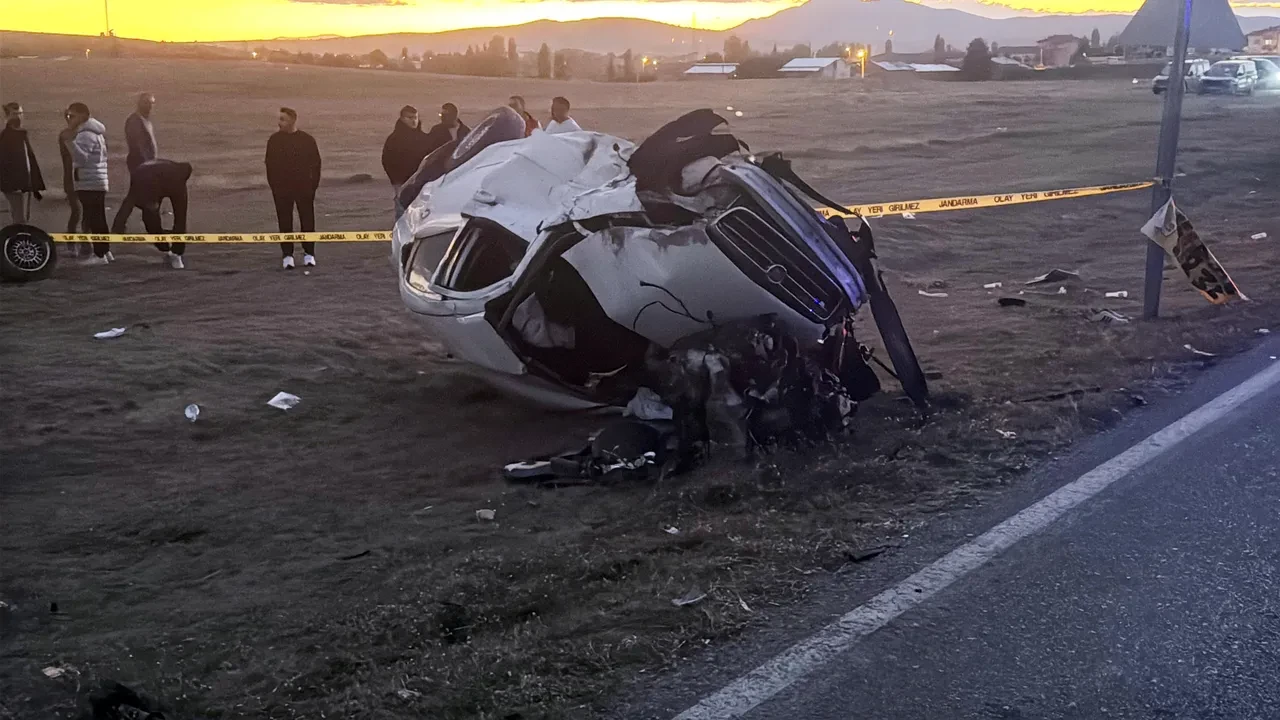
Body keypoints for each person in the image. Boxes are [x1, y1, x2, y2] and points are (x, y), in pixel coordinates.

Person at [265, 107, 321, 269]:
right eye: (279, 119)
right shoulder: (274, 140)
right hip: (282, 189)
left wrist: (313, 186)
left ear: (292, 120)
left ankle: (309, 254)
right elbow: (270, 165)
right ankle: (287, 255)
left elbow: (316, 165)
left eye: (283, 119)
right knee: (284, 221)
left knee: (307, 220)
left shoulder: (307, 140)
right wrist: (274, 187)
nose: (279, 122)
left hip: (304, 188)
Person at [110, 159, 192, 269]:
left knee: (177, 218)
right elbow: (129, 203)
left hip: (153, 175)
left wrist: (118, 225)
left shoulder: (176, 181)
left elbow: (129, 202)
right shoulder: (142, 182)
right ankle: (168, 249)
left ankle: (175, 253)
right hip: (148, 176)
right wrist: (119, 224)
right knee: (153, 218)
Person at [66, 102, 111, 264]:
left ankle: (100, 254)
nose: (69, 119)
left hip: (90, 182)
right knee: (98, 217)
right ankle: (105, 251)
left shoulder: (85, 134)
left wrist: (70, 143)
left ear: (83, 115)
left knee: (94, 218)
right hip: (97, 180)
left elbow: (81, 159)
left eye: (72, 116)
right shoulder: (96, 133)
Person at [116, 92, 158, 232]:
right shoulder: (135, 120)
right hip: (139, 163)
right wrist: (146, 165)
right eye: (146, 102)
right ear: (139, 103)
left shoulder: (146, 120)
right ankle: (120, 225)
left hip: (146, 163)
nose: (150, 106)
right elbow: (137, 144)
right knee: (137, 195)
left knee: (138, 195)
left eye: (151, 103)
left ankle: (121, 224)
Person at [0, 102, 45, 225]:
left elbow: (29, 160)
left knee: (20, 217)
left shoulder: (20, 134)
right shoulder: (8, 136)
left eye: (20, 113)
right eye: (15, 114)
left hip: (22, 184)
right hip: (15, 185)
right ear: (8, 116)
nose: (18, 117)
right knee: (20, 219)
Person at [381, 105, 432, 187]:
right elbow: (387, 161)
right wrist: (396, 181)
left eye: (415, 117)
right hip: (402, 182)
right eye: (410, 117)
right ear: (402, 118)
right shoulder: (394, 139)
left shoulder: (425, 138)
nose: (414, 121)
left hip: (423, 182)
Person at [58, 113, 86, 251]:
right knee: (78, 212)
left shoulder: (75, 134)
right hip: (73, 179)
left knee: (79, 213)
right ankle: (74, 244)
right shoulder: (67, 135)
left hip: (77, 178)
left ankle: (78, 244)